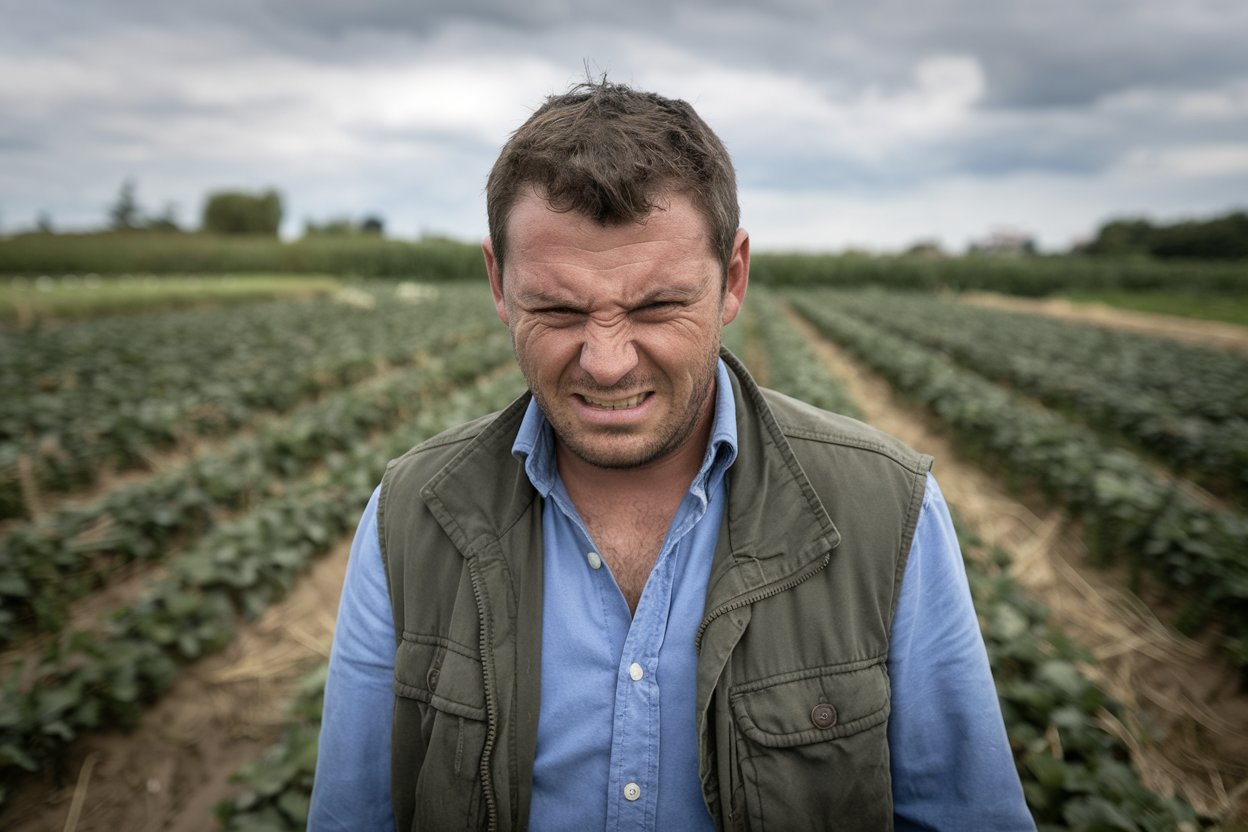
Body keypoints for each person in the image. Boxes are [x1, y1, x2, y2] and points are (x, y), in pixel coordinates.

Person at [308, 79, 1035, 831]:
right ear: (498, 283)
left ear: (733, 279)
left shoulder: (887, 509)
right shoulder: (410, 516)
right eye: (557, 309)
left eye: (657, 307)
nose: (607, 363)